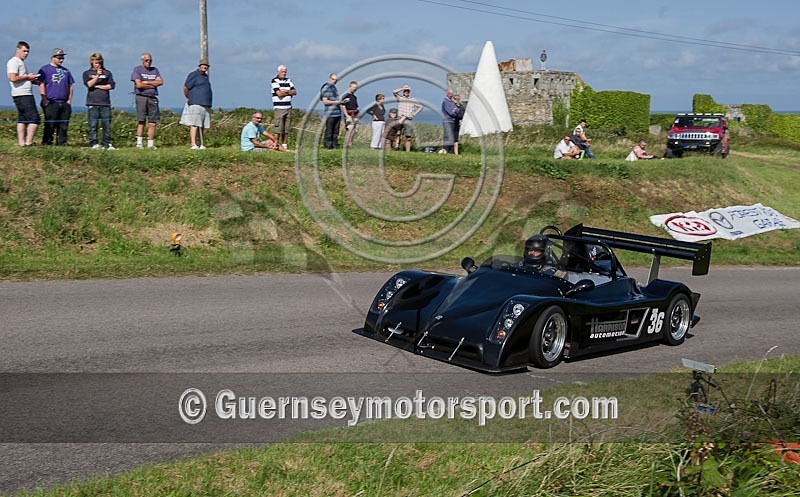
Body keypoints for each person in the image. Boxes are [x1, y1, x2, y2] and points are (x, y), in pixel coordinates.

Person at [37, 48, 75, 146]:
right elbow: (41, 84)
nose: (61, 60)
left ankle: (62, 143)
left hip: (64, 102)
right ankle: (47, 142)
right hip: (51, 102)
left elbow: (70, 85)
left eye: (62, 58)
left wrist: (69, 100)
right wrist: (44, 99)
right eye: (59, 58)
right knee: (50, 124)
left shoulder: (66, 71)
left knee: (63, 125)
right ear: (53, 57)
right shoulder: (45, 69)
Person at [7, 41, 40, 146]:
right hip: (23, 94)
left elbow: (19, 78)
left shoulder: (20, 62)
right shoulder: (14, 62)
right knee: (34, 119)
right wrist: (27, 77)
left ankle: (22, 143)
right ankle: (28, 142)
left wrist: (31, 80)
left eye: (27, 52)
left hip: (21, 94)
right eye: (24, 51)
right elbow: (13, 78)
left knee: (23, 119)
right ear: (18, 49)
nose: (26, 53)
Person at [82, 52, 115, 150]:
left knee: (106, 125)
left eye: (99, 63)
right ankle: (94, 143)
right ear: (92, 62)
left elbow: (111, 86)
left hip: (105, 103)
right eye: (96, 63)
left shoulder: (107, 73)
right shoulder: (87, 73)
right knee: (93, 125)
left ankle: (106, 143)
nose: (98, 65)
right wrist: (97, 76)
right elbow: (89, 84)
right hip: (93, 102)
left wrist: (98, 86)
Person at [131, 52, 163, 149]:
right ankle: (139, 143)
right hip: (141, 97)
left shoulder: (155, 70)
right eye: (146, 60)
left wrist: (147, 82)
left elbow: (160, 82)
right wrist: (153, 84)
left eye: (150, 60)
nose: (148, 62)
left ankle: (150, 144)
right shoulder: (137, 70)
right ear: (142, 60)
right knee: (141, 120)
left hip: (152, 97)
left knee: (153, 122)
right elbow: (139, 85)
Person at [181, 59, 212, 150]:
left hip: (205, 104)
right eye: (203, 65)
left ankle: (201, 143)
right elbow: (186, 87)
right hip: (196, 103)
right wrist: (188, 97)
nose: (205, 67)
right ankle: (193, 144)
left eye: (206, 66)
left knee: (202, 125)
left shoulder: (205, 76)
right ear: (199, 66)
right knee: (194, 124)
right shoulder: (194, 74)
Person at [271, 64, 296, 150]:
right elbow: (279, 94)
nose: (284, 73)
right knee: (278, 128)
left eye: (285, 72)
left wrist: (285, 91)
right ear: (278, 72)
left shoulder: (289, 80)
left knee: (286, 128)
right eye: (282, 72)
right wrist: (288, 91)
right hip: (279, 108)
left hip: (288, 107)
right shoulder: (274, 81)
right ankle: (276, 145)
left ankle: (284, 145)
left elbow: (294, 92)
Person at [392, 85, 423, 151]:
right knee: (399, 135)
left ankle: (407, 151)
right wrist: (403, 88)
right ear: (403, 91)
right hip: (401, 118)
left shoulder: (412, 100)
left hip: (409, 119)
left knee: (408, 137)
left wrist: (414, 114)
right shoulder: (400, 98)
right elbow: (394, 92)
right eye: (405, 91)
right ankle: (396, 149)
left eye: (408, 91)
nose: (406, 92)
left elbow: (420, 107)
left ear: (409, 92)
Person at [320, 73, 346, 149]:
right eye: (333, 79)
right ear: (330, 79)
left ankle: (334, 145)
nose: (335, 81)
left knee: (336, 131)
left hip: (337, 112)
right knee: (329, 131)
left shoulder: (334, 88)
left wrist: (341, 102)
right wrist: (337, 102)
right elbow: (325, 101)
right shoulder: (326, 88)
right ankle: (327, 146)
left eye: (336, 80)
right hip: (330, 113)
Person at [441, 89, 463, 154]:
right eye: (450, 94)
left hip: (453, 122)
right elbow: (451, 113)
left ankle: (451, 152)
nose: (451, 95)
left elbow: (458, 112)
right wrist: (455, 112)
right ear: (447, 94)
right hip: (448, 121)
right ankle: (446, 151)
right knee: (447, 136)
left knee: (453, 137)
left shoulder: (451, 102)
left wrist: (455, 111)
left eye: (452, 94)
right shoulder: (445, 102)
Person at [340, 81, 359, 148]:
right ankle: (347, 144)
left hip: (355, 115)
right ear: (350, 87)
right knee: (350, 129)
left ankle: (350, 144)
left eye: (356, 88)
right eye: (353, 87)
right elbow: (343, 106)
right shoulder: (346, 96)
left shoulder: (354, 97)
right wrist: (347, 115)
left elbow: (356, 107)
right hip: (349, 115)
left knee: (354, 130)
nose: (355, 89)